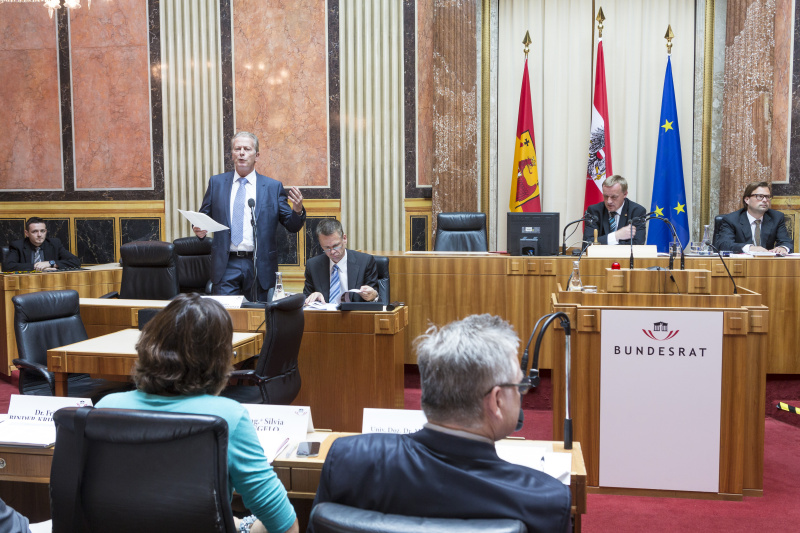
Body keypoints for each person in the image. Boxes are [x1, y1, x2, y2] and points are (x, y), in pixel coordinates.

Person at [309, 314, 572, 533]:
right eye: (520, 384)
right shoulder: (546, 500)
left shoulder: (347, 460)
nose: (522, 393)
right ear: (497, 401)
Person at [96, 294, 299, 533]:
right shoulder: (227, 418)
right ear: (219, 359)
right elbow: (284, 526)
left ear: (148, 345)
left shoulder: (105, 408)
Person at [193, 131, 306, 302]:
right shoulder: (216, 183)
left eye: (247, 149)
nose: (242, 153)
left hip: (259, 265)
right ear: (232, 154)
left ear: (257, 155)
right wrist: (198, 228)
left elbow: (292, 225)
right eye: (237, 149)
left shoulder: (272, 187)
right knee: (225, 319)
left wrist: (297, 210)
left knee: (257, 317)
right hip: (226, 264)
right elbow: (203, 215)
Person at [303, 219, 378, 305]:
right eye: (327, 248)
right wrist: (314, 298)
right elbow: (306, 300)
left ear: (344, 239)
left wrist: (373, 296)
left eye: (335, 246)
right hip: (324, 317)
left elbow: (374, 299)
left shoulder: (365, 262)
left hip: (355, 316)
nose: (332, 252)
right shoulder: (313, 265)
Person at [715, 181, 793, 255]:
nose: (765, 200)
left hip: (767, 264)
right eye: (760, 196)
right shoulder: (731, 219)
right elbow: (724, 244)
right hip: (740, 264)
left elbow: (786, 241)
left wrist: (783, 248)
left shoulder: (776, 217)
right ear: (747, 200)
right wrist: (750, 248)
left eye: (768, 197)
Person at [583, 175, 647, 245]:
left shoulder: (637, 211)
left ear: (625, 194)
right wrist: (616, 236)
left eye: (614, 197)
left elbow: (638, 244)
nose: (609, 201)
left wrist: (604, 241)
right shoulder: (594, 211)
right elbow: (586, 244)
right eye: (606, 196)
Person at [3, 217, 80, 272]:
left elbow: (75, 261)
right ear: (27, 233)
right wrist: (37, 267)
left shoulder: (54, 243)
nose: (39, 235)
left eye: (42, 231)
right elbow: (8, 266)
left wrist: (50, 264)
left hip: (52, 282)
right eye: (35, 231)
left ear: (46, 231)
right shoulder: (18, 245)